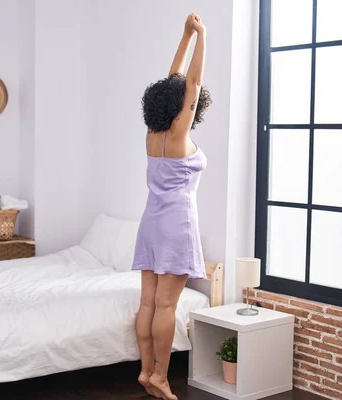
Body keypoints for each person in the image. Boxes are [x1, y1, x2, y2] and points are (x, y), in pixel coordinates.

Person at [131, 13, 212, 400]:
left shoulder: (154, 132)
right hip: (176, 224)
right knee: (166, 306)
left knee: (148, 301)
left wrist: (184, 36)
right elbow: (191, 81)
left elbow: (175, 79)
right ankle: (161, 375)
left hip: (150, 222)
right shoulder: (180, 133)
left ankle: (146, 370)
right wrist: (202, 36)